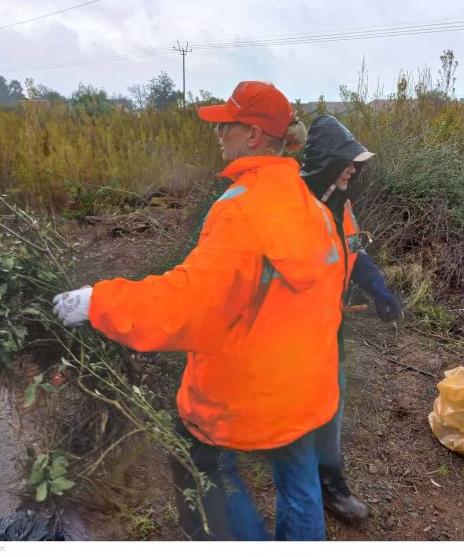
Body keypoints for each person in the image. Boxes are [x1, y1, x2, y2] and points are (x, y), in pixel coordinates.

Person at [52, 81, 346, 540]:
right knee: (298, 479)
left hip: (245, 393)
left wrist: (98, 301)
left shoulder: (238, 211)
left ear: (251, 134)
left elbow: (189, 306)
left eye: (224, 125)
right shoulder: (314, 209)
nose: (218, 134)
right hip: (305, 387)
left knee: (205, 469)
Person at [301, 115, 402, 523]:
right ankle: (304, 477)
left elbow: (354, 254)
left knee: (332, 400)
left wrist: (379, 290)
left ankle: (329, 482)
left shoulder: (342, 207)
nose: (353, 169)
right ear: (325, 162)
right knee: (304, 406)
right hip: (296, 332)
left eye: (356, 163)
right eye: (347, 161)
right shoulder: (299, 209)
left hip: (329, 327)